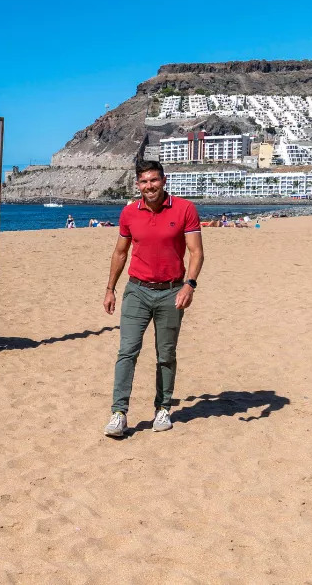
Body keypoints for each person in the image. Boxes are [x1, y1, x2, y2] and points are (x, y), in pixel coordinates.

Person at [102, 161, 204, 437]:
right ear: (138, 185)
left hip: (172, 291)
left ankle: (163, 407)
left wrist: (189, 285)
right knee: (127, 351)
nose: (150, 186)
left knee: (166, 353)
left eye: (154, 180)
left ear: (164, 181)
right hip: (137, 290)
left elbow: (196, 252)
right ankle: (119, 412)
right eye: (144, 182)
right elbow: (120, 253)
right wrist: (110, 288)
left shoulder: (184, 209)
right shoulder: (129, 213)